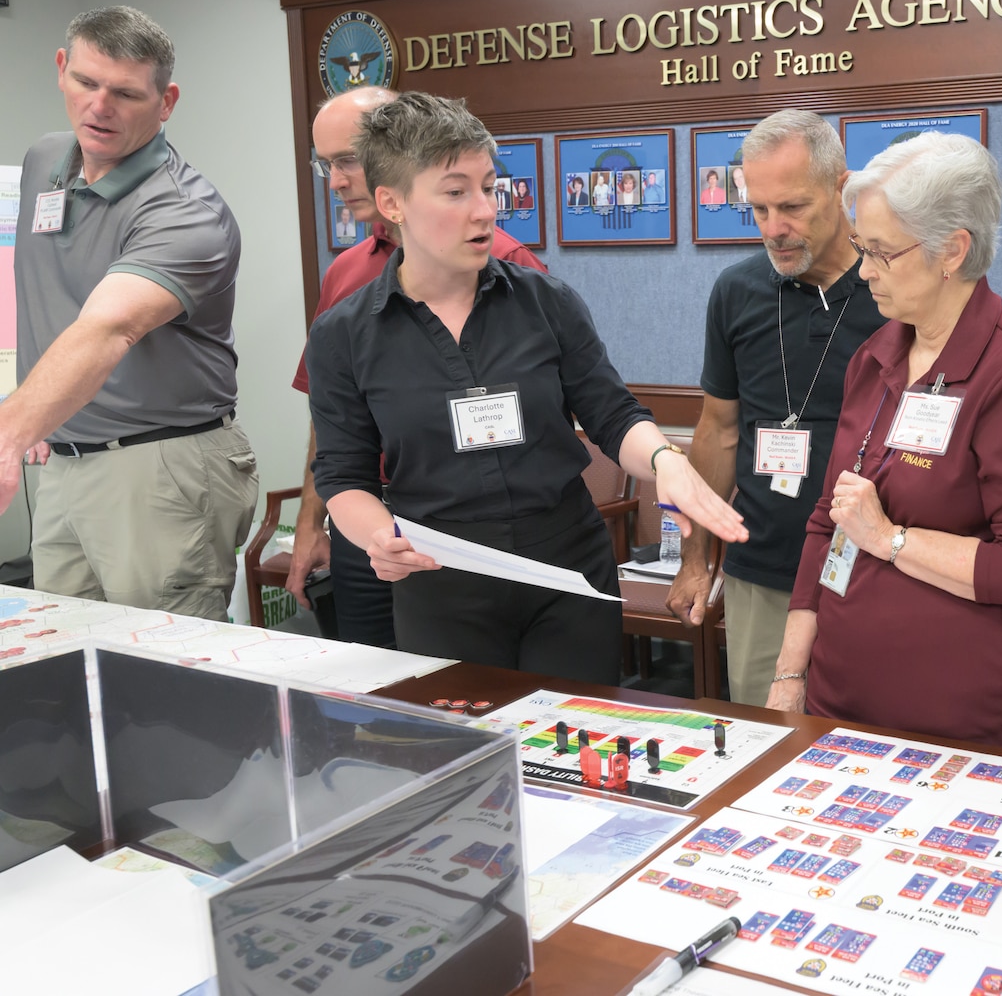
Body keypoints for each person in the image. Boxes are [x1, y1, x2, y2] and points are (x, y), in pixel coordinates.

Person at [305, 93, 746, 678]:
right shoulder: (345, 334)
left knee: (577, 754)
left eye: (489, 187)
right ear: (393, 202)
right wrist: (377, 536)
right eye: (456, 191)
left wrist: (666, 460)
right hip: (441, 577)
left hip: (565, 570)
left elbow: (612, 414)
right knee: (469, 755)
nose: (485, 210)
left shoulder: (545, 301)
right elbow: (344, 474)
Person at [766, 131, 1002, 751]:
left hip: (959, 719)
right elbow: (827, 526)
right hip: (839, 697)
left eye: (882, 252)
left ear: (952, 250)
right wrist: (789, 675)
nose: (865, 271)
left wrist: (891, 540)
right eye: (862, 247)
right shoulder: (877, 355)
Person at [5, 6, 258, 621]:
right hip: (66, 460)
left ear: (165, 101)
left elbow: (108, 328)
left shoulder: (184, 212)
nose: (100, 107)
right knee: (66, 652)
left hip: (161, 465)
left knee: (170, 676)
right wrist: (39, 415)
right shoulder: (45, 161)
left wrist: (7, 435)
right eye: (87, 83)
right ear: (61, 69)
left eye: (125, 93)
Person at [286, 86, 550, 648]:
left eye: (349, 160)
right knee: (385, 708)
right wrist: (313, 523)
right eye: (326, 163)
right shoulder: (345, 276)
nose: (337, 180)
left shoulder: (504, 264)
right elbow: (330, 428)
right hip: (368, 526)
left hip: (462, 535)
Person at [668, 109, 886, 706]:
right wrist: (695, 558)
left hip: (870, 569)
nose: (773, 228)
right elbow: (718, 429)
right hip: (761, 568)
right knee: (764, 741)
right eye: (759, 209)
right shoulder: (737, 291)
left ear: (841, 187)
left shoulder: (892, 290)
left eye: (792, 207)